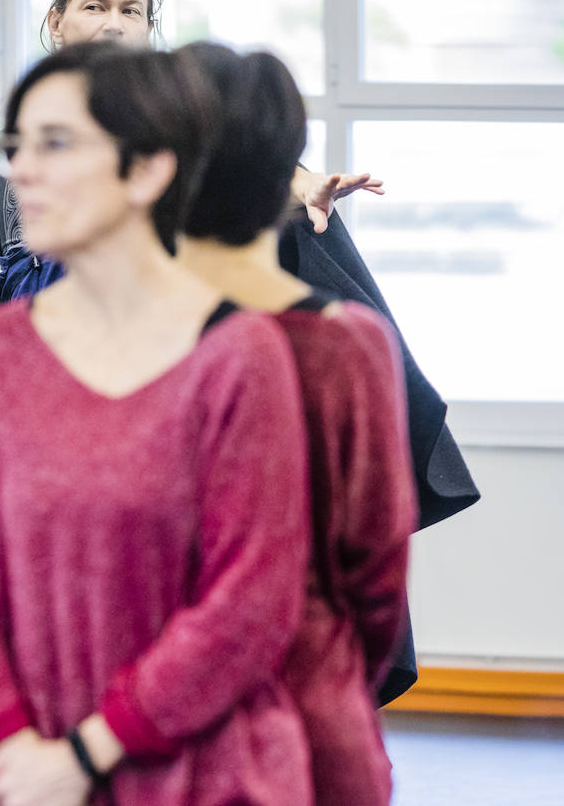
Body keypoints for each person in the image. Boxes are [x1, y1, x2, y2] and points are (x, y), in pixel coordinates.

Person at [0, 0, 474, 725]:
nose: (113, 22)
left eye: (131, 10)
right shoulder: (2, 209)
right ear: (54, 24)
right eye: (94, 5)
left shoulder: (197, 179)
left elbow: (256, 167)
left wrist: (299, 184)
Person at [0, 42, 312, 806]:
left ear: (147, 170)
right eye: (16, 146)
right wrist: (6, 744)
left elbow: (252, 599)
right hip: (15, 771)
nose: (21, 171)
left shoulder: (241, 355)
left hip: (193, 769)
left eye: (56, 144)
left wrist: (86, 753)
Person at [174, 41, 417, 805]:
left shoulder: (111, 339)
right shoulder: (348, 342)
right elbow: (377, 578)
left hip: (150, 729)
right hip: (312, 716)